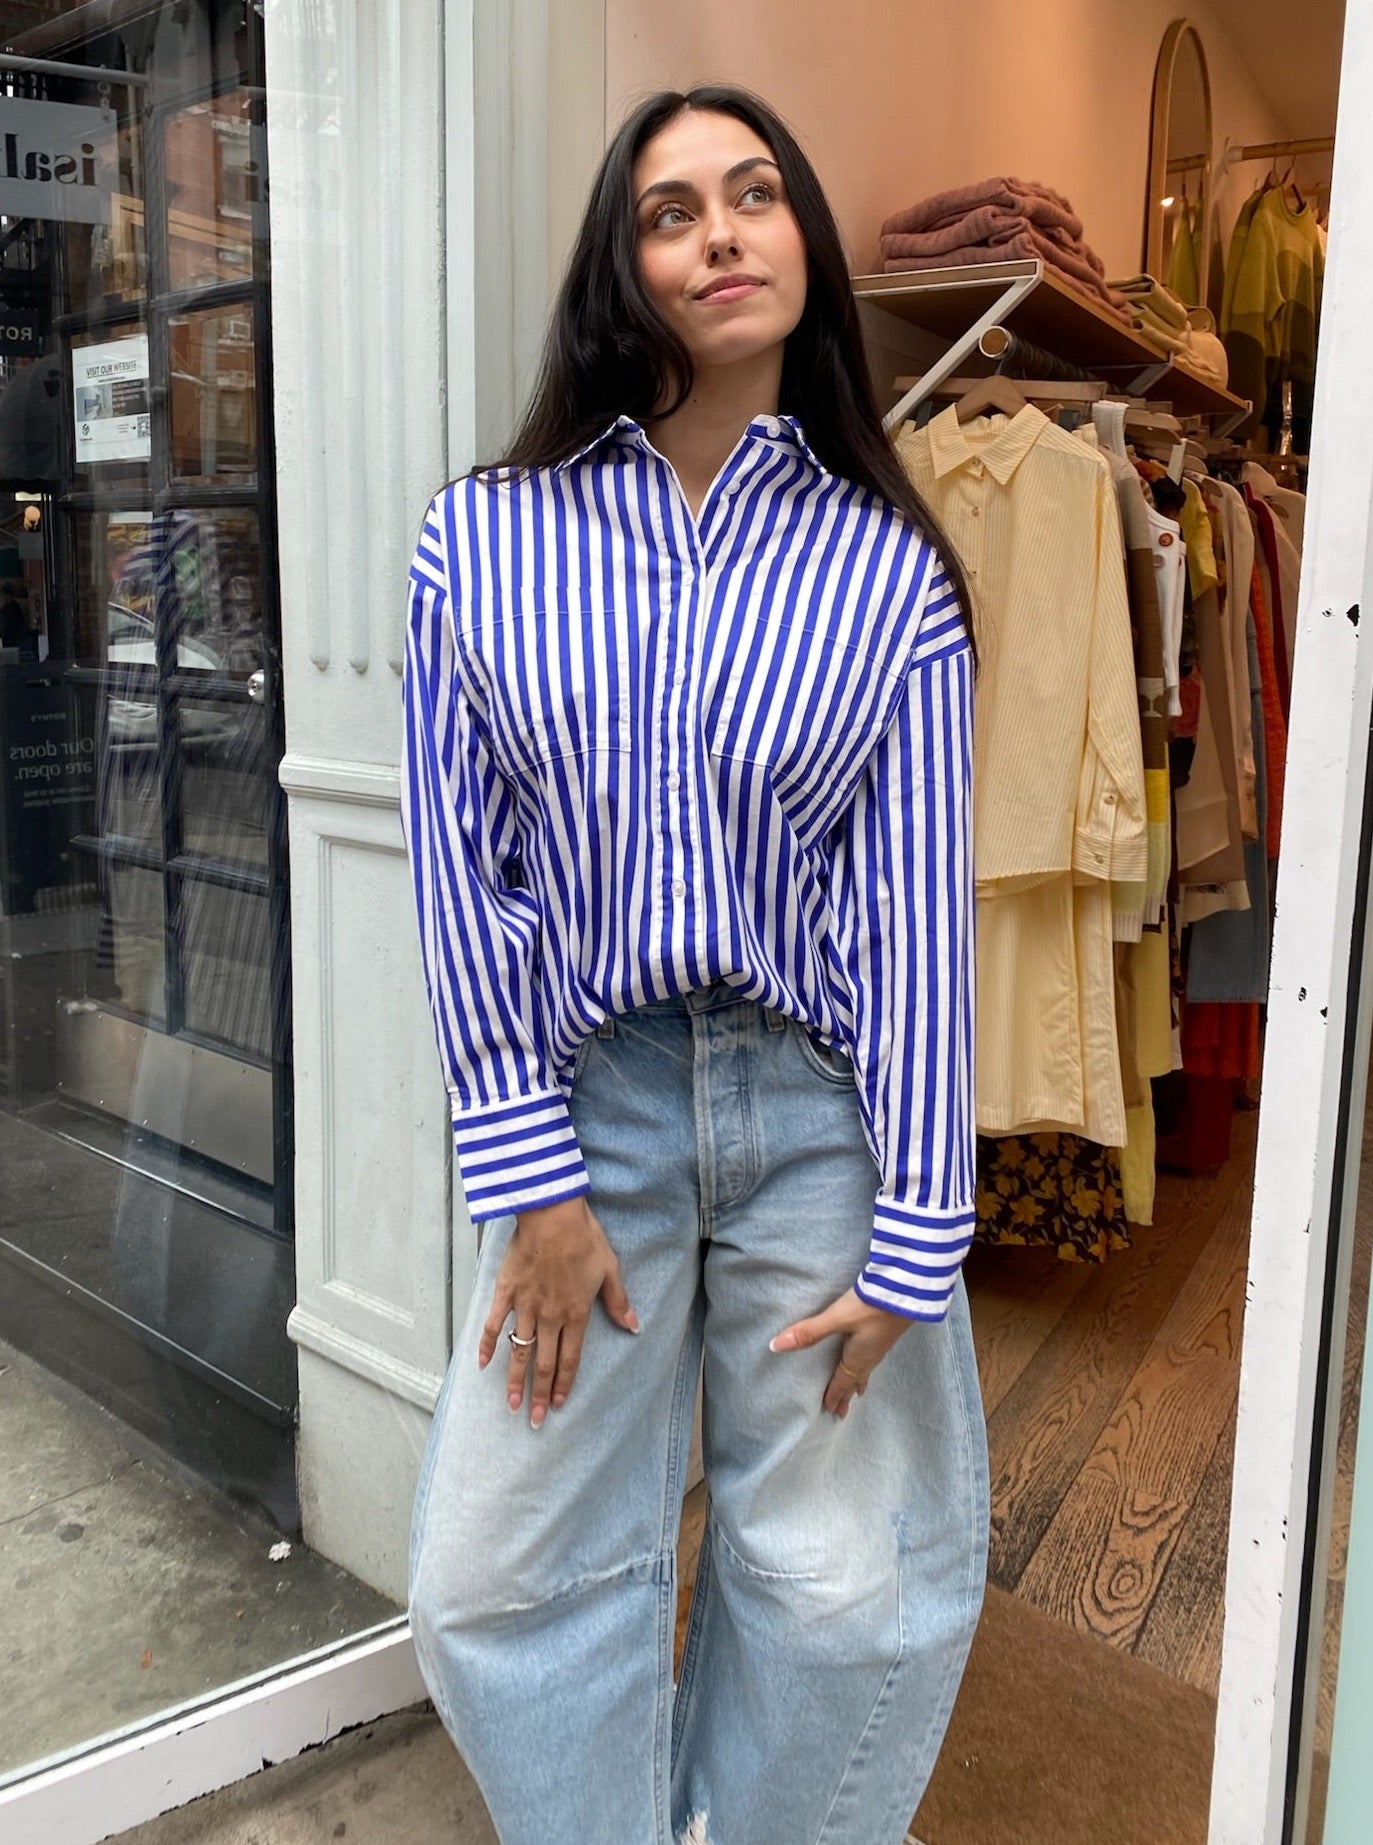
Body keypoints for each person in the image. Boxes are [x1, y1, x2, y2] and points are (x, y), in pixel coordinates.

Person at [400, 81, 989, 1845]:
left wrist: (919, 1233)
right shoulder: (482, 543)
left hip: (818, 1115)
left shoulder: (889, 573)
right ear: (625, 266)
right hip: (595, 1118)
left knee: (839, 1592)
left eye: (753, 195)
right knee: (492, 1580)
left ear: (803, 238)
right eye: (671, 210)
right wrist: (531, 1172)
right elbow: (459, 867)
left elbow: (916, 925)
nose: (720, 232)